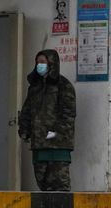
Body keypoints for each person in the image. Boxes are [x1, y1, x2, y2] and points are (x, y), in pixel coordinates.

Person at [19, 49, 76, 191]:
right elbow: (27, 111)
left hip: (58, 145)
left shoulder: (63, 85)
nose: (39, 65)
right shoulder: (35, 87)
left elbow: (68, 114)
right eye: (37, 62)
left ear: (52, 64)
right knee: (42, 183)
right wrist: (24, 130)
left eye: (43, 62)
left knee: (59, 185)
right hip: (39, 144)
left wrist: (55, 133)